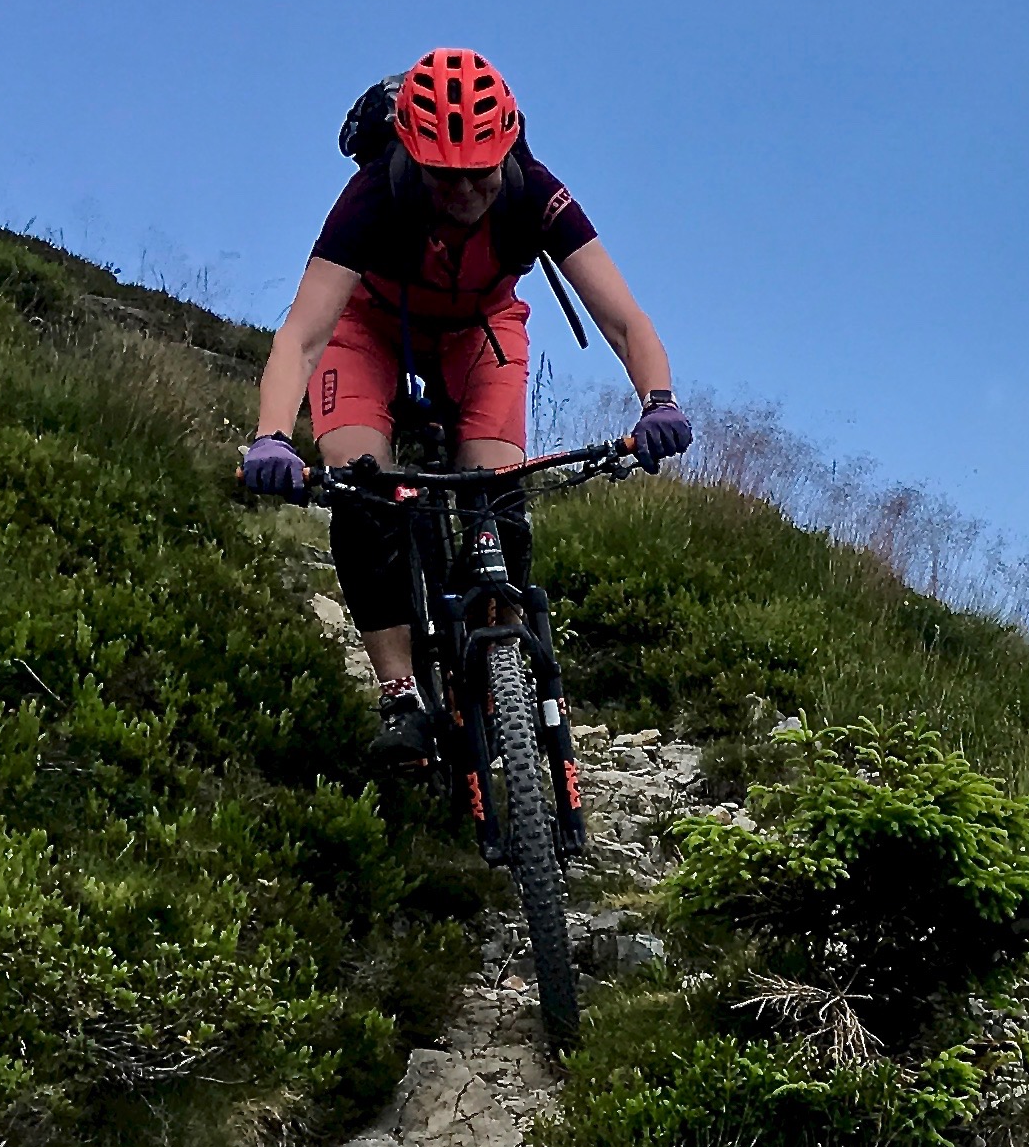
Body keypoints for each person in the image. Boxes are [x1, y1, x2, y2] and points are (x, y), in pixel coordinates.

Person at [236, 48, 692, 758]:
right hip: (369, 327)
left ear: (506, 151)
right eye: (445, 178)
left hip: (480, 331)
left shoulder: (534, 192)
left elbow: (624, 319)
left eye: (481, 174)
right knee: (362, 487)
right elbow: (302, 335)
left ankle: (495, 666)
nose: (466, 193)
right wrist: (271, 438)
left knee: (496, 492)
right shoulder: (374, 197)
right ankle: (399, 697)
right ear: (414, 157)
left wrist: (657, 400)